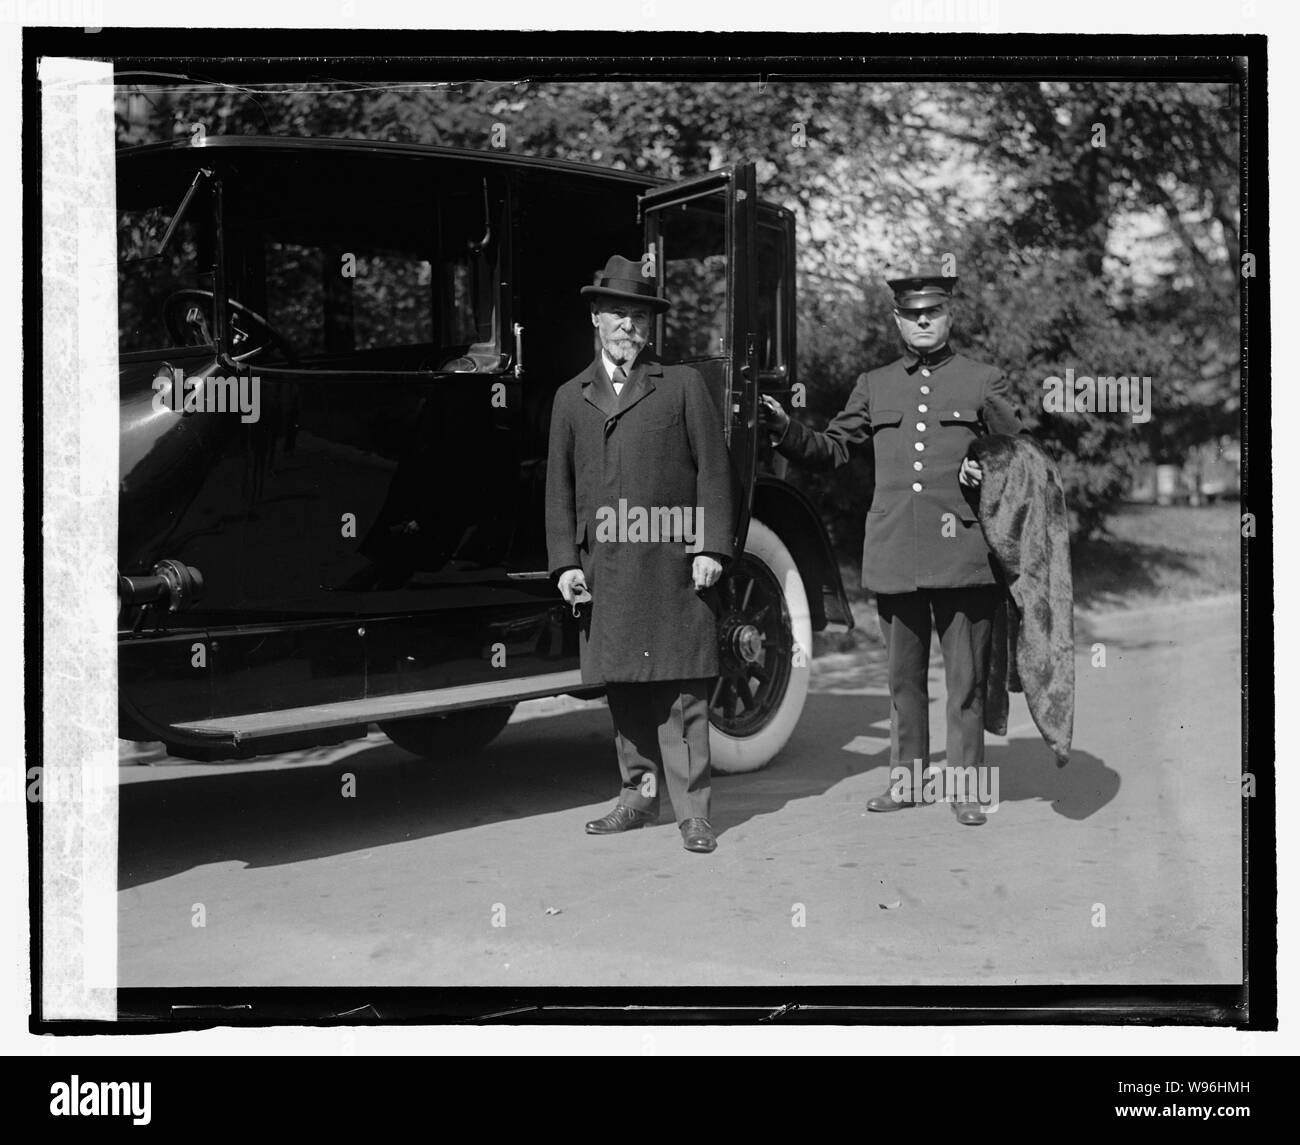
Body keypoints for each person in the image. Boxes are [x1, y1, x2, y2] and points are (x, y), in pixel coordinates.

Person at [760, 269, 1025, 826]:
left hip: (963, 554)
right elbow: (833, 450)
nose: (923, 321)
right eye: (912, 314)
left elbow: (1018, 458)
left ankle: (967, 789)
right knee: (902, 681)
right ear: (897, 319)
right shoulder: (874, 384)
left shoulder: (983, 380)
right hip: (894, 552)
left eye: (933, 312)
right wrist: (786, 429)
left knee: (966, 682)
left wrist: (988, 466)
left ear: (949, 315)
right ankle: (907, 783)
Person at [546, 254, 735, 853]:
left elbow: (714, 472)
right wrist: (565, 565)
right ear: (596, 317)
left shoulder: (680, 384)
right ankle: (637, 797)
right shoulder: (569, 398)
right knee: (624, 685)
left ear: (650, 326)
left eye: (639, 316)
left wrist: (712, 548)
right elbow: (559, 490)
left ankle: (694, 812)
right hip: (608, 566)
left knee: (684, 691)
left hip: (675, 564)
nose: (629, 326)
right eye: (618, 314)